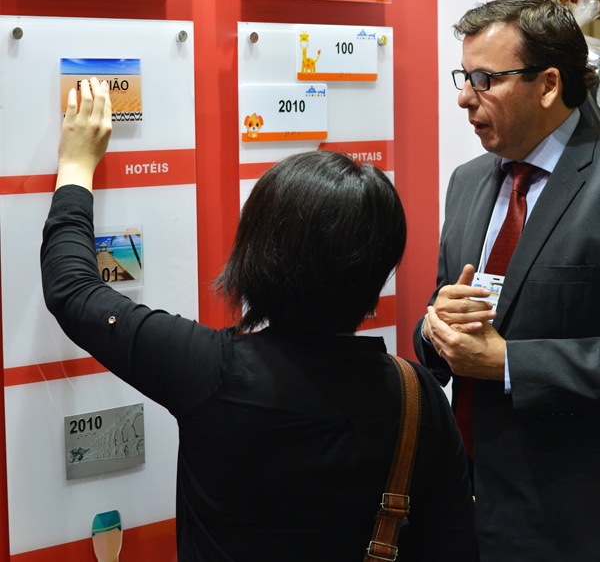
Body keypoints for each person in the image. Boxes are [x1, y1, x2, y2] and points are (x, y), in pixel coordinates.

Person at [42, 77, 476, 562]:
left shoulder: (210, 370)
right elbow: (454, 544)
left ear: (259, 256)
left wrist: (76, 165)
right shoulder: (417, 397)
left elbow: (74, 291)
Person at [414, 0, 600, 562]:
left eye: (484, 78)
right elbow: (442, 319)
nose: (465, 97)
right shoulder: (468, 181)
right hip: (461, 497)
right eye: (463, 76)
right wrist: (436, 330)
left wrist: (510, 363)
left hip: (570, 519)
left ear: (548, 84)